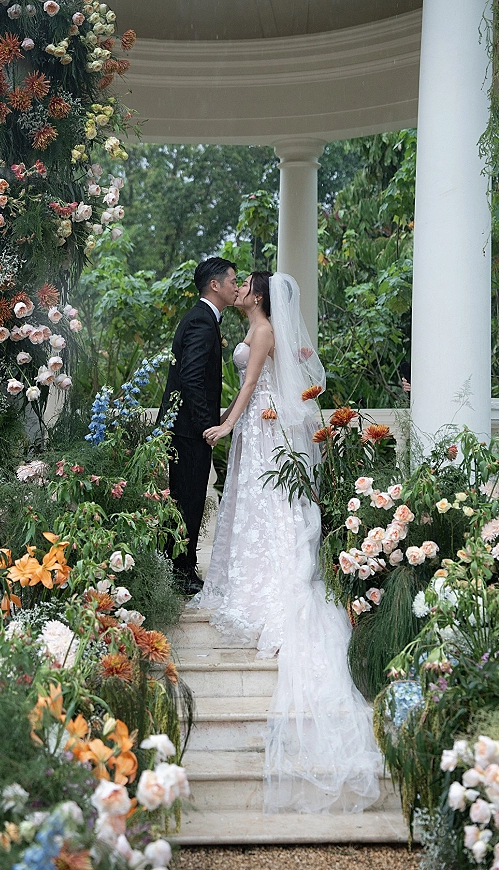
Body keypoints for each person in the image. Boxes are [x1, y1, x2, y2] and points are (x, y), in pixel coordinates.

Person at [191, 271, 381, 813]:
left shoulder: (266, 331)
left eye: (249, 286)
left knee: (265, 508)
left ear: (262, 297)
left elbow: (250, 384)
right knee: (250, 509)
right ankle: (247, 574)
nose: (242, 289)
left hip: (260, 426)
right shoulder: (259, 328)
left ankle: (266, 585)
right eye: (241, 285)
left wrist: (228, 424)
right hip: (259, 429)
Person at [158, 257, 238, 595]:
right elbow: (191, 378)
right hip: (190, 429)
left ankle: (177, 567)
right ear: (215, 285)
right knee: (187, 500)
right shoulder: (202, 322)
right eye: (233, 280)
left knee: (185, 499)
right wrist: (210, 426)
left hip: (188, 427)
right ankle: (181, 573)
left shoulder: (204, 319)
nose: (237, 286)